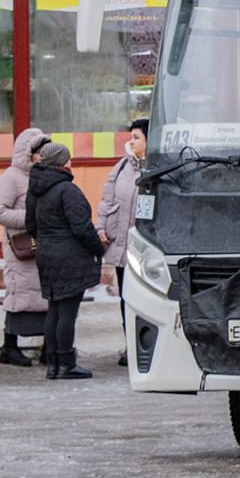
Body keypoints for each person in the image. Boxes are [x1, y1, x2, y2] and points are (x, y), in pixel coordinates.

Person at [25, 142, 105, 380]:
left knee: (54, 308)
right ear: (62, 163)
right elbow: (82, 228)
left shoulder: (35, 190)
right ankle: (67, 363)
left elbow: (31, 225)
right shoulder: (67, 190)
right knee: (68, 311)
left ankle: (53, 365)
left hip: (46, 255)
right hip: (69, 256)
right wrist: (98, 248)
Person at [0, 128, 50, 367]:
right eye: (39, 151)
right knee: (19, 294)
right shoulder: (10, 177)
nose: (44, 155)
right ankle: (9, 347)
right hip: (21, 247)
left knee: (45, 294)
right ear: (28, 152)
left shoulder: (45, 175)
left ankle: (48, 347)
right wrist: (32, 218)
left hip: (44, 244)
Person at [97, 119, 146, 367]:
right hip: (120, 245)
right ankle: (131, 347)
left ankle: (145, 346)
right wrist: (102, 227)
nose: (131, 141)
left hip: (146, 250)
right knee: (126, 299)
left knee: (146, 299)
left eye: (136, 137)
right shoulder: (121, 167)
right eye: (130, 136)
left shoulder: (156, 169)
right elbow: (107, 201)